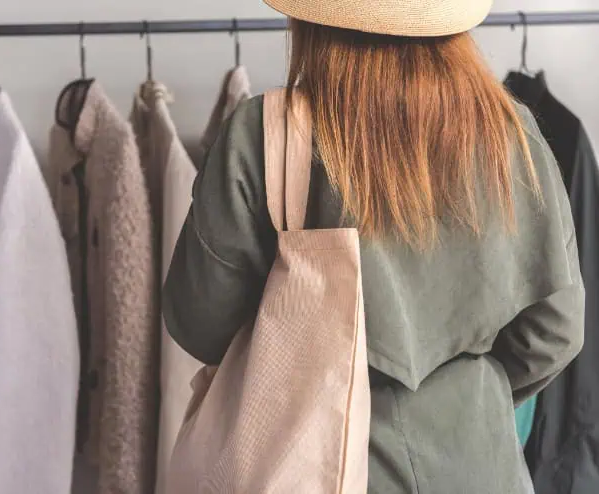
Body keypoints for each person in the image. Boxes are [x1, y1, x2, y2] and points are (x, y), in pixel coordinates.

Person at [163, 0, 585, 492]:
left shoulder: (264, 136)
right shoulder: (510, 131)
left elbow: (198, 325)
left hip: (304, 465)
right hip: (479, 465)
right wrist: (466, 394)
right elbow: (555, 330)